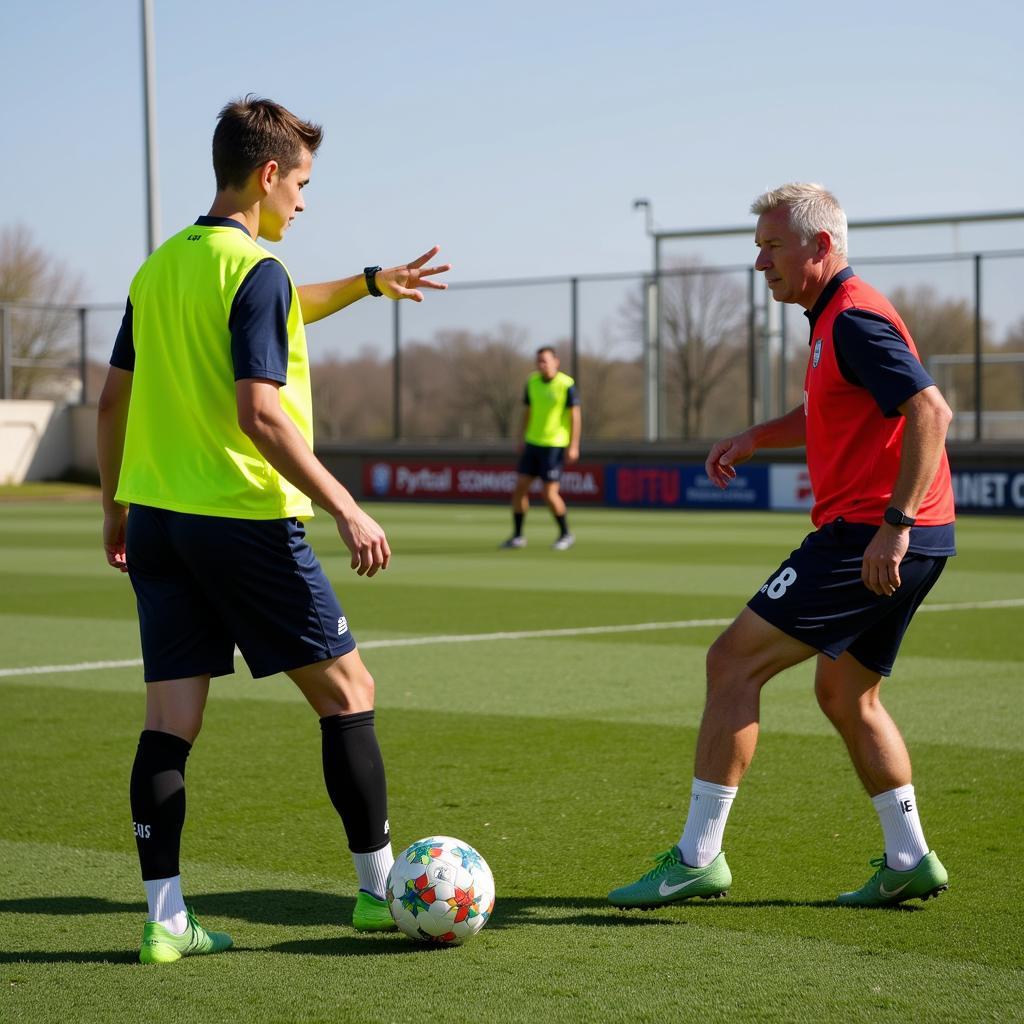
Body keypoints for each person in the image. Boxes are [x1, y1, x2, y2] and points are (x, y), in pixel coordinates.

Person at [96, 96, 450, 964]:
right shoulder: (256, 271)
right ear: (265, 177)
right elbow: (261, 411)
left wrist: (115, 505)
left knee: (170, 721)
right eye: (300, 182)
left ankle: (165, 921)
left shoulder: (161, 268)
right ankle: (376, 896)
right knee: (350, 693)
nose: (303, 199)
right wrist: (347, 505)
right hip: (244, 520)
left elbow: (113, 401)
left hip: (159, 526)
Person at [608, 182, 956, 910]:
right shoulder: (832, 317)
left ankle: (698, 858)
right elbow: (835, 407)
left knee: (731, 663)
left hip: (873, 532)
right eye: (759, 247)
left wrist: (894, 524)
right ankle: (910, 857)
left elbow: (930, 409)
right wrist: (755, 437)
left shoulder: (854, 317)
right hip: (915, 534)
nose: (759, 261)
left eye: (772, 246)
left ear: (820, 247)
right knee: (847, 694)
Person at [501, 346, 581, 551]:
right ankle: (518, 536)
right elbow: (527, 411)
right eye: (539, 361)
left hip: (554, 445)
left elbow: (575, 416)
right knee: (520, 488)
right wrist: (521, 437)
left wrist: (574, 444)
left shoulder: (566, 384)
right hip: (532, 443)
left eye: (545, 361)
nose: (541, 365)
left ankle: (565, 533)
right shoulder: (532, 382)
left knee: (549, 493)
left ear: (556, 362)